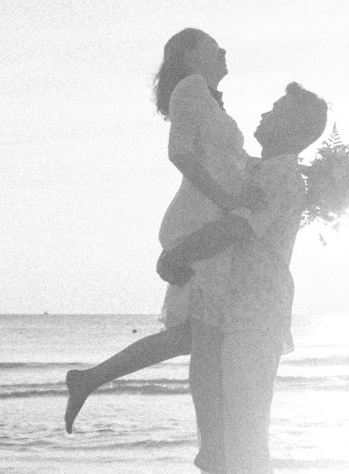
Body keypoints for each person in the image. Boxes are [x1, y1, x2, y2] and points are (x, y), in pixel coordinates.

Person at [158, 82, 329, 474]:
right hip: (224, 305)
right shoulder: (253, 168)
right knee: (215, 424)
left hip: (255, 309)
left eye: (277, 110)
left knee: (246, 428)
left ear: (296, 128)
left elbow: (238, 228)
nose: (266, 112)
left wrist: (177, 254)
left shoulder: (282, 177)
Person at [64, 28, 262, 433]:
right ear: (189, 56)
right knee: (204, 335)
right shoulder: (190, 88)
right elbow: (180, 153)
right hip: (201, 216)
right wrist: (226, 201)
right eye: (212, 45)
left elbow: (235, 160)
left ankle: (88, 379)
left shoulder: (208, 100)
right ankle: (217, 439)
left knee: (192, 336)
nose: (223, 50)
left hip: (213, 211)